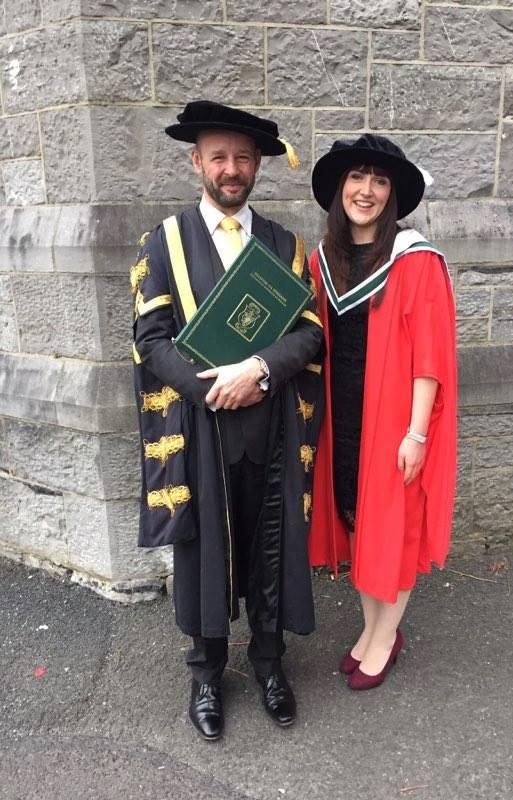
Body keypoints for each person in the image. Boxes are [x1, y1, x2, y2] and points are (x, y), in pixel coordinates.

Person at [131, 101, 323, 739]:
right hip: (201, 431)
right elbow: (151, 339)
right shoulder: (163, 243)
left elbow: (311, 334)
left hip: (271, 429)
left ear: (258, 165)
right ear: (197, 161)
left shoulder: (284, 246)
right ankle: (206, 672)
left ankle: (269, 664)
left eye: (243, 157)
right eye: (219, 156)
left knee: (270, 547)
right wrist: (211, 388)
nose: (232, 168)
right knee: (205, 552)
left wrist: (259, 371)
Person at [308, 134, 457, 690]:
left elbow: (430, 358)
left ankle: (386, 635)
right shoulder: (323, 260)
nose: (366, 190)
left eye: (379, 180)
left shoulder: (415, 260)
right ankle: (374, 630)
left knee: (392, 531)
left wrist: (416, 434)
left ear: (392, 194)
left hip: (393, 423)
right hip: (343, 422)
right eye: (356, 177)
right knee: (359, 525)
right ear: (340, 188)